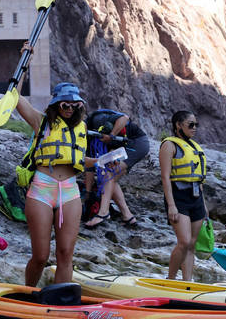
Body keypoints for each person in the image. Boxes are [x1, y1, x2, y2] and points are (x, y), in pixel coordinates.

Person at [15, 81, 88, 286]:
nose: (70, 109)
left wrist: (103, 162)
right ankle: (27, 294)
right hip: (42, 188)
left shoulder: (82, 127)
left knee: (65, 253)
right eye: (66, 105)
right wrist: (25, 65)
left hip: (70, 190)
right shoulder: (42, 121)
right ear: (56, 104)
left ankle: (59, 302)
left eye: (76, 105)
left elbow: (80, 158)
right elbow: (15, 97)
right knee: (41, 256)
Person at [159, 111, 206, 281]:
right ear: (178, 125)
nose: (194, 128)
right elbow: (165, 177)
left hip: (196, 197)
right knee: (184, 242)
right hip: (179, 197)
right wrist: (171, 204)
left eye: (196, 125)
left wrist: (204, 206)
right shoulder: (169, 145)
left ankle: (187, 283)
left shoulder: (193, 146)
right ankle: (170, 280)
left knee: (192, 244)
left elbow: (199, 178)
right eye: (190, 124)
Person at [83, 107, 148, 229]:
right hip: (125, 146)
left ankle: (103, 212)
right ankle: (128, 216)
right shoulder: (86, 140)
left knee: (107, 171)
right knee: (110, 179)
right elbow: (90, 167)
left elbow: (124, 118)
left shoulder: (97, 119)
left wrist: (111, 135)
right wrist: (88, 192)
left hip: (135, 142)